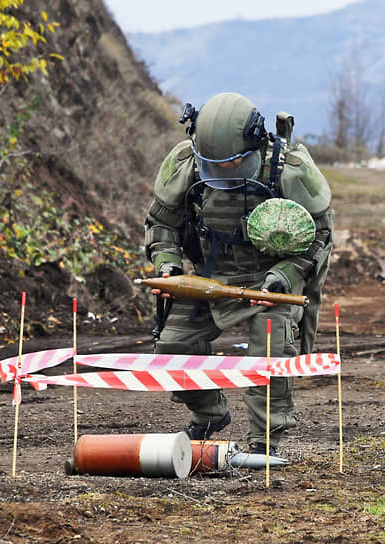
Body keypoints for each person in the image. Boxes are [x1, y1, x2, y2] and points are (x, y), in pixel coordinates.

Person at [143, 92, 334, 456]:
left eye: (232, 165)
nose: (222, 173)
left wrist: (286, 272)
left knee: (270, 349)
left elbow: (319, 236)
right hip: (208, 279)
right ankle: (210, 413)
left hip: (269, 281)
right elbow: (161, 224)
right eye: (214, 166)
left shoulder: (289, 170)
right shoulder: (187, 164)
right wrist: (166, 264)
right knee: (172, 345)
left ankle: (267, 439)